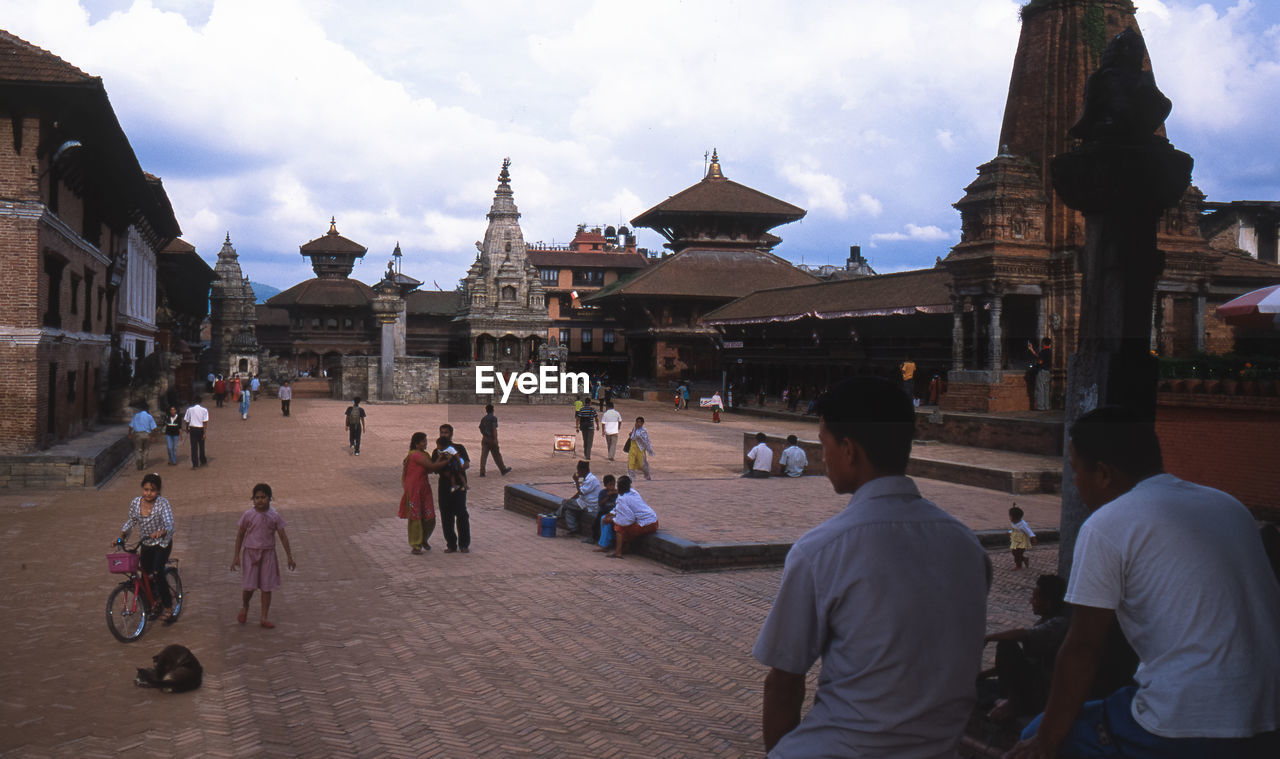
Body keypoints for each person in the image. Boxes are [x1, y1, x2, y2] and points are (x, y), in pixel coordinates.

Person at [1007, 407, 1280, 758]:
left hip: (1187, 721)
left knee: (1039, 733)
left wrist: (1045, 742)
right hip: (1271, 711)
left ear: (1103, 473)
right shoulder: (1229, 505)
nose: (1073, 482)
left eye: (1074, 470)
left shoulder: (1107, 524)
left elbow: (1082, 648)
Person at [753, 377, 990, 756]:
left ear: (848, 450)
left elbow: (782, 685)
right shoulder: (966, 545)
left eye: (825, 443)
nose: (824, 456)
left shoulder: (821, 550)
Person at [982, 574, 1070, 721]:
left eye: (1035, 598)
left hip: (1041, 690)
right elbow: (1014, 664)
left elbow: (1025, 634)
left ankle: (1013, 705)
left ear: (1048, 603)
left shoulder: (1058, 624)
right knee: (978, 687)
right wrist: (982, 675)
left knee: (1006, 645)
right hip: (1028, 683)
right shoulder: (1043, 622)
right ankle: (999, 700)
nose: (1031, 602)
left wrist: (990, 637)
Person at [229, 483, 295, 628]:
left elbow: (283, 536)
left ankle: (264, 617)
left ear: (270, 498)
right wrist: (236, 556)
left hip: (268, 554)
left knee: (266, 587)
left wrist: (289, 556)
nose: (260, 500)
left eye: (263, 497)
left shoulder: (274, 516)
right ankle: (245, 605)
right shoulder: (248, 515)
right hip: (250, 554)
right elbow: (240, 535)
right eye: (257, 497)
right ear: (253, 499)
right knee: (249, 587)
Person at [118, 472, 177, 624]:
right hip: (146, 543)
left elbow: (170, 525)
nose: (148, 493)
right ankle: (153, 603)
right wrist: (121, 536)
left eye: (152, 490)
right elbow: (131, 522)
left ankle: (168, 606)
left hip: (162, 543)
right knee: (144, 574)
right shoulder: (136, 503)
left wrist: (161, 532)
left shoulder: (163, 504)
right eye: (145, 489)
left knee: (157, 573)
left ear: (158, 491)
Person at [401, 432, 446, 554]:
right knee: (415, 517)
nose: (425, 443)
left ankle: (423, 539)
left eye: (426, 441)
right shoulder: (415, 455)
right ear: (416, 443)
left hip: (424, 488)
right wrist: (446, 459)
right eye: (423, 441)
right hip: (414, 489)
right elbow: (432, 466)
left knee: (430, 517)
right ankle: (416, 545)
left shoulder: (425, 454)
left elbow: (430, 469)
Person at [434, 423, 472, 554]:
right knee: (446, 516)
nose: (444, 435)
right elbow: (435, 468)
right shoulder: (437, 451)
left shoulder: (459, 448)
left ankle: (464, 544)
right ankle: (451, 543)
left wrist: (459, 467)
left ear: (451, 434)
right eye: (442, 432)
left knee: (461, 514)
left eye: (446, 432)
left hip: (459, 486)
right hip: (445, 486)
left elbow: (466, 463)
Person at [598, 475, 657, 559]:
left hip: (647, 524)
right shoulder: (633, 492)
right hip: (653, 521)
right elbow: (618, 508)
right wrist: (610, 514)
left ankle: (618, 552)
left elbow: (628, 519)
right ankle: (626, 548)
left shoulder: (623, 498)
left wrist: (612, 520)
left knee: (619, 527)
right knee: (623, 525)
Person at [556, 460, 601, 538]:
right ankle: (573, 528)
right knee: (569, 510)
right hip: (583, 502)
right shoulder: (587, 479)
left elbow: (580, 492)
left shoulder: (591, 480)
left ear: (583, 470)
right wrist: (570, 500)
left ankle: (556, 515)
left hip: (589, 505)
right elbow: (579, 494)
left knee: (565, 503)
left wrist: (576, 481)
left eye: (578, 471)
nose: (578, 472)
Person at [477, 404, 512, 476]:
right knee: (496, 455)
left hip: (485, 438)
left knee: (484, 455)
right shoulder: (493, 418)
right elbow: (494, 429)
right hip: (491, 438)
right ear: (493, 410)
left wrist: (484, 434)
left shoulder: (483, 419)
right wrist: (495, 439)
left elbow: (480, 427)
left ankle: (482, 471)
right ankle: (502, 469)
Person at [128, 401, 157, 471]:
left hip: (138, 434)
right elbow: (154, 428)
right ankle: (144, 464)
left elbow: (130, 426)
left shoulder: (136, 416)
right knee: (146, 450)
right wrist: (153, 436)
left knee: (138, 450)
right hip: (147, 435)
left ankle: (139, 461)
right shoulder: (149, 416)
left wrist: (129, 433)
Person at [590, 474, 618, 546]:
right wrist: (607, 497)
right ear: (605, 485)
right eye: (610, 485)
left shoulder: (617, 493)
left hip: (613, 512)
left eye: (613, 485)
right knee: (596, 523)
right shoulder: (603, 493)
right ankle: (594, 537)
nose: (612, 487)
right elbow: (600, 503)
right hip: (604, 511)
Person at [183, 396, 209, 468]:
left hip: (193, 429)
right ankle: (202, 459)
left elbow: (187, 420)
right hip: (200, 429)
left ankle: (195, 463)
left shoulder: (189, 410)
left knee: (193, 447)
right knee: (201, 445)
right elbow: (205, 422)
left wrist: (187, 428)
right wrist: (204, 433)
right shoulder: (204, 410)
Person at [626, 416, 654, 481]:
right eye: (637, 422)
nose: (638, 424)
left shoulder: (643, 430)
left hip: (640, 449)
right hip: (633, 449)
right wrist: (633, 431)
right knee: (631, 463)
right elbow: (633, 437)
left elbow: (646, 440)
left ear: (642, 423)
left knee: (642, 464)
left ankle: (647, 475)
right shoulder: (634, 428)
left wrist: (649, 449)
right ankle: (631, 477)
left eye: (640, 422)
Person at [1008, 504, 1035, 569]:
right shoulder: (1014, 522)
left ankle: (1018, 566)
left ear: (1015, 518)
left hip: (1022, 541)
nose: (1009, 518)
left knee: (1018, 554)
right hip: (1015, 540)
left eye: (1010, 516)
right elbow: (1015, 529)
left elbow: (1029, 531)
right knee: (1014, 552)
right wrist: (1010, 532)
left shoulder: (1023, 524)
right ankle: (1024, 559)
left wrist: (1033, 538)